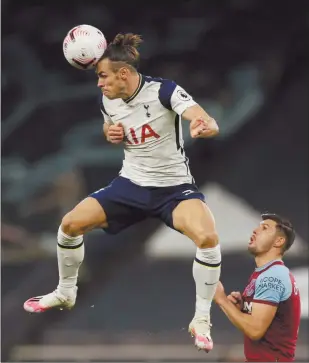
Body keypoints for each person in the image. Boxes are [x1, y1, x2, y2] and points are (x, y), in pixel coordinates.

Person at [24, 33, 221, 352]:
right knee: (70, 225)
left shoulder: (164, 91)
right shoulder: (108, 100)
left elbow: (202, 116)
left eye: (103, 76)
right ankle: (65, 291)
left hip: (173, 189)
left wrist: (203, 125)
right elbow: (109, 127)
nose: (99, 84)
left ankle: (201, 319)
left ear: (124, 74)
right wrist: (110, 133)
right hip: (130, 185)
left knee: (208, 239)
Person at [214, 213, 301, 362]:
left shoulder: (272, 275)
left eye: (264, 228)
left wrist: (221, 299)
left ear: (279, 241)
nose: (255, 230)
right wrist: (244, 309)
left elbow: (255, 330)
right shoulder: (264, 273)